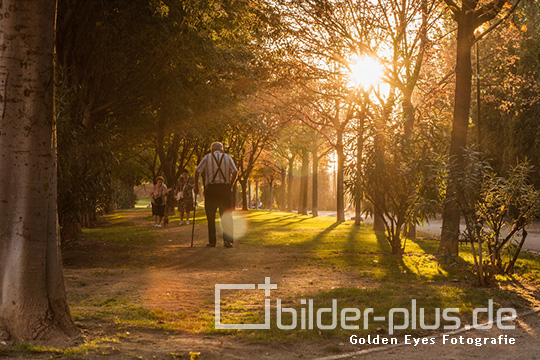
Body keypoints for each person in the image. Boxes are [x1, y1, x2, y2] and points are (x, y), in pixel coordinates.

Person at [194, 142, 238, 248]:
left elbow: (197, 171)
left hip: (211, 189)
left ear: (211, 149)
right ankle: (228, 241)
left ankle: (212, 242)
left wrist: (196, 186)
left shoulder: (207, 157)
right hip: (224, 188)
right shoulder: (227, 157)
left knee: (210, 216)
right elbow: (235, 171)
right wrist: (230, 185)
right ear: (222, 149)